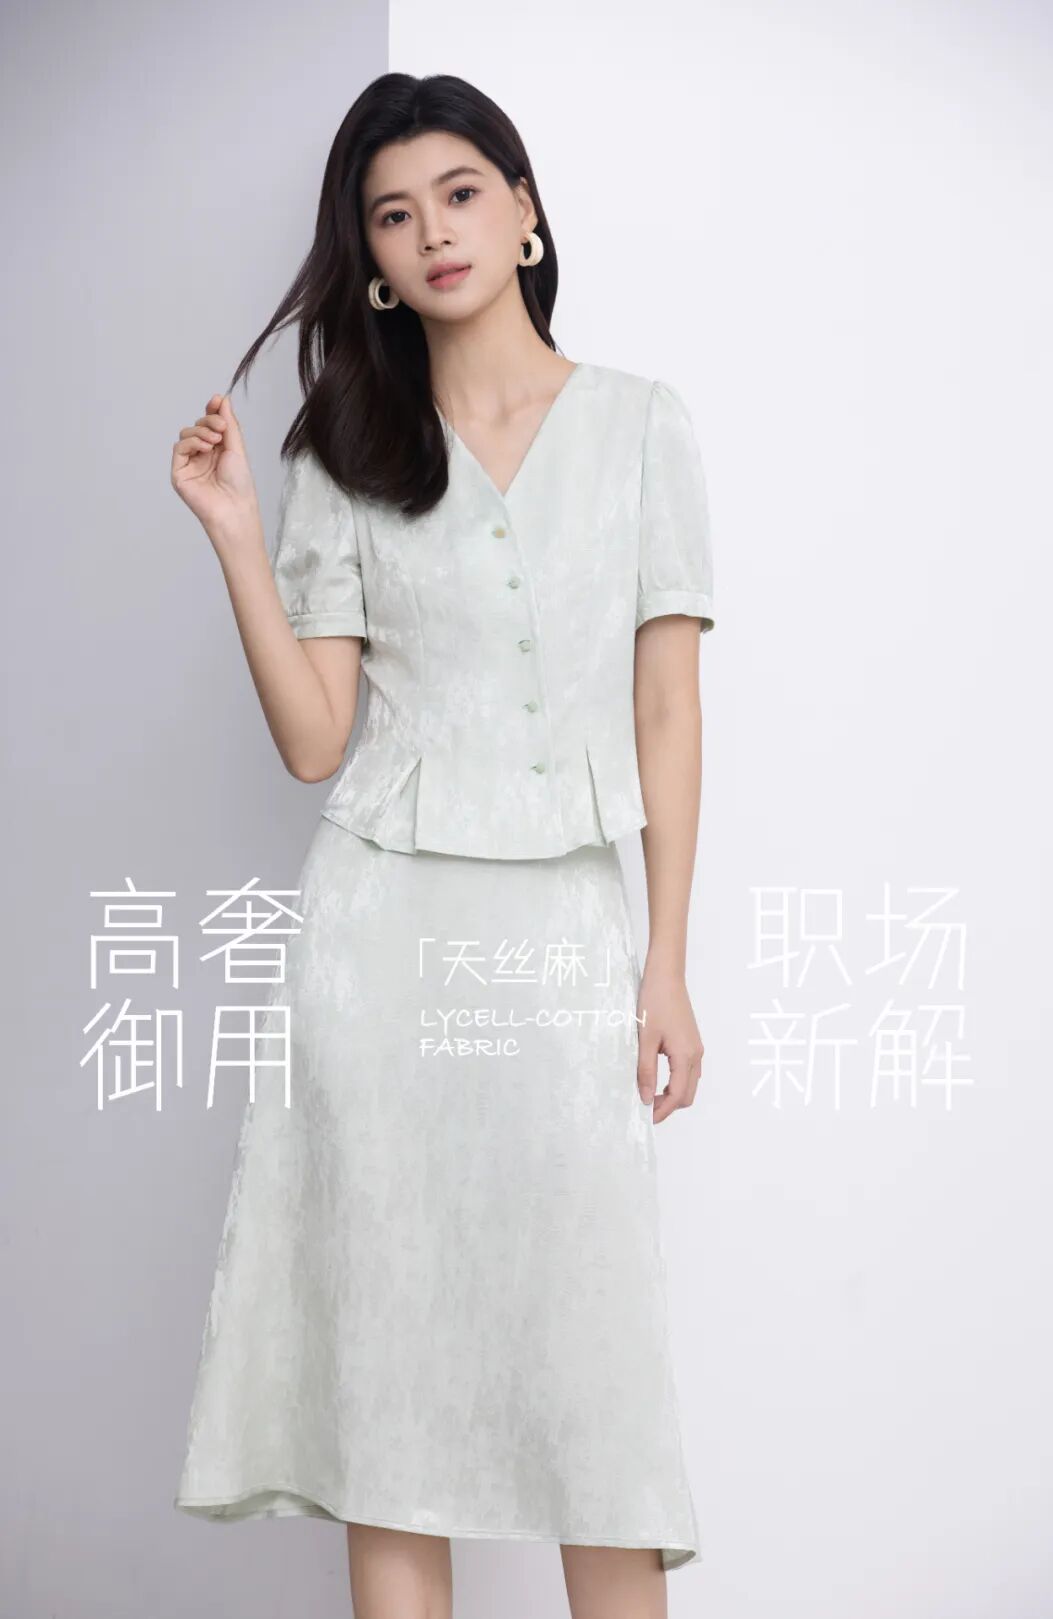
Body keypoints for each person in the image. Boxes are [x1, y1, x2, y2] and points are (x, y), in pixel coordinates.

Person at [170, 71, 714, 1619]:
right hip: (382, 953)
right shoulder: (345, 450)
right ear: (374, 260)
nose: (435, 234)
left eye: (462, 194)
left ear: (525, 210)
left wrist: (666, 967)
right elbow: (314, 742)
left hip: (563, 945)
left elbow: (666, 712)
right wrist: (234, 535)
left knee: (592, 1387)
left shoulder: (641, 428)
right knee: (392, 1384)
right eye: (394, 216)